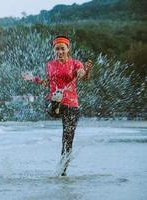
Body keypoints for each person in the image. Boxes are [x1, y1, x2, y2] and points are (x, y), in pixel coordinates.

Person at [22, 35, 92, 176]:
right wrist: (34, 79)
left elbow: (82, 76)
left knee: (67, 140)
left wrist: (86, 70)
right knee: (55, 100)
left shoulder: (75, 64)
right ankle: (55, 103)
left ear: (68, 49)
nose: (59, 51)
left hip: (71, 105)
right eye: (57, 49)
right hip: (55, 102)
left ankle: (62, 171)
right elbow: (46, 82)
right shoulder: (50, 65)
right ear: (54, 50)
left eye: (62, 48)